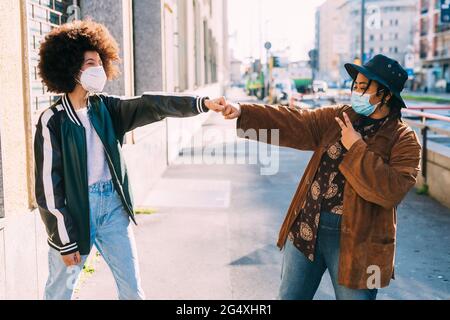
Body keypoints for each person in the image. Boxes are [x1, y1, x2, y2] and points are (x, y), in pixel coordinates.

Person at [34, 19, 225, 300]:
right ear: (71, 67)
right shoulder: (52, 120)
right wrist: (64, 240)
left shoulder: (106, 108)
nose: (98, 68)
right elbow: (48, 188)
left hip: (112, 208)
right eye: (90, 63)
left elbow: (152, 105)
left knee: (133, 292)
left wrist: (201, 103)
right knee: (59, 293)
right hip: (74, 214)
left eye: (100, 62)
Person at [222, 54, 422, 300]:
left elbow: (392, 191)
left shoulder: (404, 139)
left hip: (360, 243)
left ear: (386, 95)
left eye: (363, 87)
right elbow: (297, 121)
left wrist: (356, 147)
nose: (356, 92)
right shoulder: (341, 116)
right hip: (307, 226)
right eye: (355, 86)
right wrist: (243, 111)